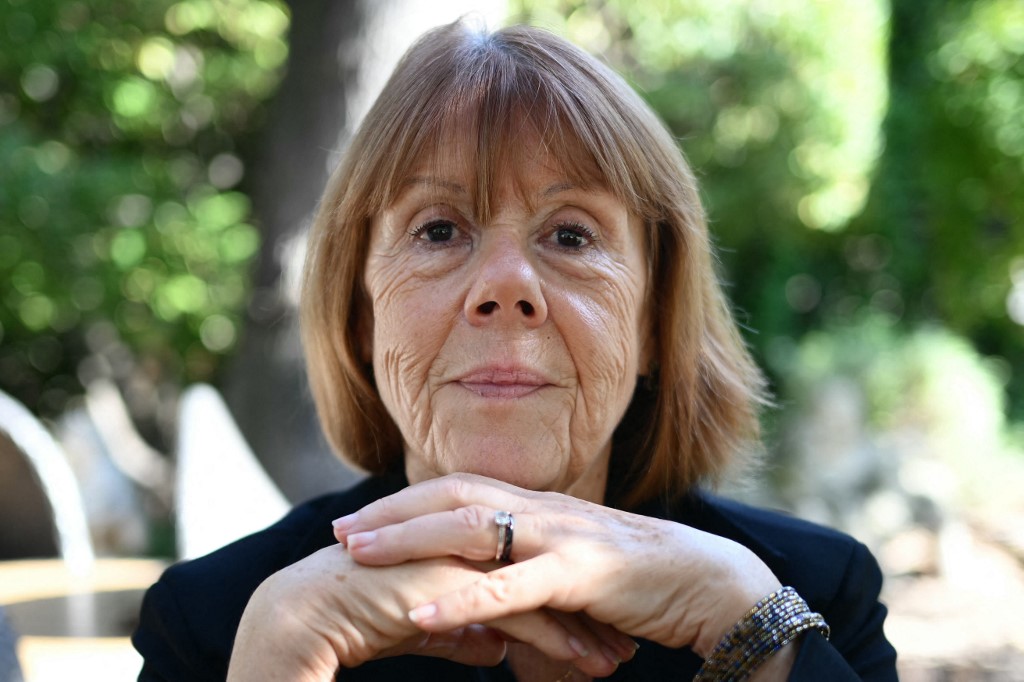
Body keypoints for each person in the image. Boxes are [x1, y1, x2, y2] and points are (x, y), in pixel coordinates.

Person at [133, 20, 898, 681]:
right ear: (363, 317)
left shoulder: (810, 596)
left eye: (571, 235)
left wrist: (754, 634)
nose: (505, 286)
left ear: (653, 323)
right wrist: (276, 656)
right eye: (439, 230)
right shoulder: (215, 622)